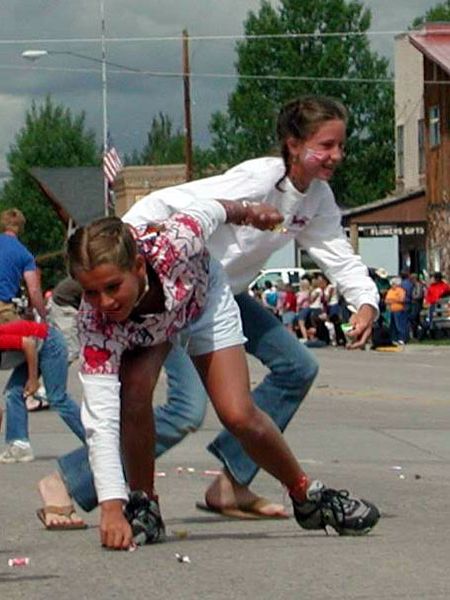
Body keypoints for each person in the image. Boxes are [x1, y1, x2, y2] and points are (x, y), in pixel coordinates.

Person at [40, 94, 380, 525]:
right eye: (326, 145)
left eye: (339, 146)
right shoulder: (255, 179)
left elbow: (336, 252)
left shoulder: (317, 200)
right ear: (293, 144)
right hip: (158, 294)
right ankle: (102, 490)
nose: (336, 156)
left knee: (294, 370)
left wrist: (365, 301)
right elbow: (190, 204)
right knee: (172, 404)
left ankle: (236, 481)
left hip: (213, 291)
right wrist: (124, 248)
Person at [38, 205, 379, 549]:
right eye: (90, 292)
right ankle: (144, 505)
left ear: (139, 266)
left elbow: (213, 209)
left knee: (237, 413)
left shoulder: (176, 241)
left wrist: (250, 212)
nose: (105, 302)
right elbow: (101, 420)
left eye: (112, 286)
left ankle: (308, 496)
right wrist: (112, 506)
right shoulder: (96, 323)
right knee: (135, 391)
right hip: (143, 332)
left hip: (202, 302)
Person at [0, 321, 85, 464]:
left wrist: (33, 380)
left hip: (49, 342)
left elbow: (29, 344)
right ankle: (19, 446)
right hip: (33, 350)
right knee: (13, 393)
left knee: (57, 398)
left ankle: (96, 440)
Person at [0, 209, 46, 324]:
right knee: (27, 341)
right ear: (21, 228)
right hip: (3, 308)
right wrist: (43, 315)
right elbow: (34, 290)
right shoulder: (25, 254)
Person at [385, 277, 407, 345]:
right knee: (393, 326)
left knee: (399, 325)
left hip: (399, 310)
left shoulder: (400, 290)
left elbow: (402, 300)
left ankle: (401, 339)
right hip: (391, 310)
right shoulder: (390, 291)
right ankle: (394, 339)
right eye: (392, 284)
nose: (392, 285)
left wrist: (392, 300)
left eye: (393, 284)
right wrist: (392, 301)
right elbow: (386, 300)